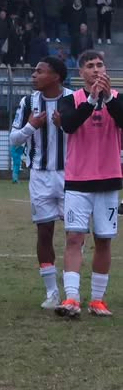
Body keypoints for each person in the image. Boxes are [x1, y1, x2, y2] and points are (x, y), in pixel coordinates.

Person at [55, 50, 123, 318]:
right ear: (81, 72)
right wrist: (92, 100)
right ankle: (71, 297)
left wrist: (106, 98)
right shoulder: (70, 100)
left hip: (108, 180)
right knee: (74, 237)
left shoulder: (117, 99)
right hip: (78, 181)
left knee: (104, 241)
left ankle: (97, 299)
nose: (97, 70)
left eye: (100, 65)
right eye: (91, 66)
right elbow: (69, 125)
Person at [10, 57, 71, 310]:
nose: (34, 75)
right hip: (40, 177)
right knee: (44, 233)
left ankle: (72, 292)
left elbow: (85, 135)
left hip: (71, 175)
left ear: (56, 76)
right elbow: (14, 138)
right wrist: (30, 127)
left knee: (74, 235)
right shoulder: (27, 102)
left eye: (39, 71)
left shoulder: (73, 100)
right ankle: (52, 293)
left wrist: (64, 125)